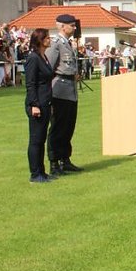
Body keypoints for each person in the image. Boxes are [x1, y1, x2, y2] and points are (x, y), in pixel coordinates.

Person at [46, 14, 83, 175]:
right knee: (58, 127)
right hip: (59, 90)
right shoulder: (55, 44)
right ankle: (54, 162)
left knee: (68, 126)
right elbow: (49, 69)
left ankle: (65, 159)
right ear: (62, 26)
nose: (74, 28)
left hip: (70, 89)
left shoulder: (68, 44)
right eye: (72, 25)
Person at [24, 28, 55, 183]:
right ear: (40, 40)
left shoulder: (44, 57)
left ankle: (42, 171)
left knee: (41, 139)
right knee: (36, 140)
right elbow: (30, 84)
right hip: (37, 104)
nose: (50, 40)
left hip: (45, 101)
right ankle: (35, 174)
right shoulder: (33, 58)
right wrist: (34, 104)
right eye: (47, 38)